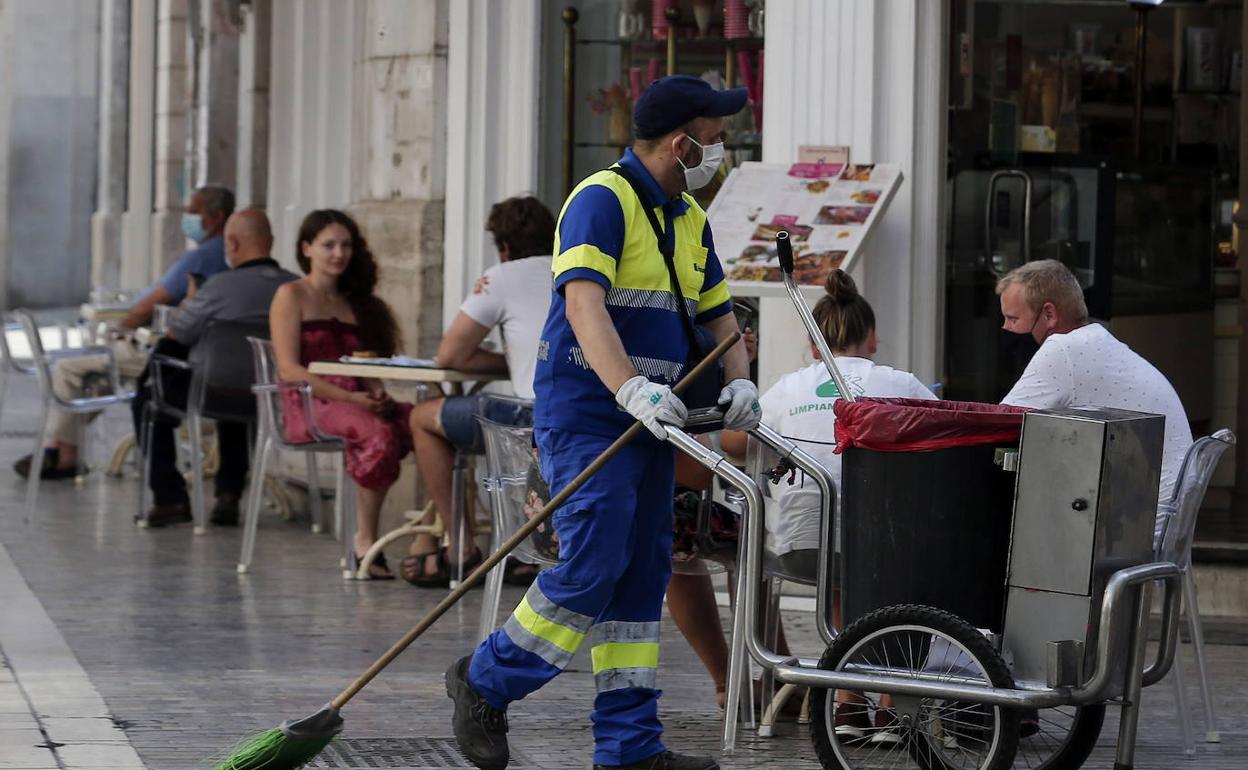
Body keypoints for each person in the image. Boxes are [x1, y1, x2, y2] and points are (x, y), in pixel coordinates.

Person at [446, 74, 759, 770]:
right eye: (714, 140)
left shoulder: (688, 216)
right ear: (680, 144)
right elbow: (584, 306)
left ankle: (628, 747)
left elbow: (719, 318)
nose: (721, 152)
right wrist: (631, 388)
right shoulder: (600, 200)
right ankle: (485, 680)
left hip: (655, 422)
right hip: (592, 418)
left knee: (643, 576)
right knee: (591, 566)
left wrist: (740, 381)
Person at [718, 270, 935, 742]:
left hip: (797, 549)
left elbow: (735, 442)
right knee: (891, 558)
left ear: (814, 347)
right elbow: (942, 441)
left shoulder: (787, 388)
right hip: (881, 550)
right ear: (872, 338)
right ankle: (891, 701)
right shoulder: (900, 383)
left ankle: (848, 703)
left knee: (838, 555)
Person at [15, 186, 234, 479]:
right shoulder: (223, 262)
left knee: (71, 369)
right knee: (95, 379)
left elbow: (149, 305)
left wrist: (121, 329)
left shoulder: (204, 257)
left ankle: (63, 452)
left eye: (193, 212)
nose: (187, 218)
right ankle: (63, 449)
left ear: (216, 217)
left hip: (173, 359)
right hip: (196, 358)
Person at [403, 196, 557, 588]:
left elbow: (450, 355)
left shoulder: (502, 276)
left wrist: (512, 362)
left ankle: (461, 546)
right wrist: (522, 359)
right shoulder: (570, 269)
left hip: (530, 417)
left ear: (503, 246)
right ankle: (519, 548)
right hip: (577, 413)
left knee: (422, 418)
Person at [997, 259, 1192, 545]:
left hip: (1134, 528)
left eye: (1013, 319)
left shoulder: (1063, 349)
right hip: (1158, 520)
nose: (1005, 328)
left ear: (1049, 314)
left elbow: (1000, 424)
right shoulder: (1097, 342)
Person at [269, 209, 413, 580]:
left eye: (346, 245)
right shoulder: (290, 295)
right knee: (378, 434)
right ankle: (365, 540)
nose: (339, 254)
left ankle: (440, 538)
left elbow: (366, 364)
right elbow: (289, 369)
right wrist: (351, 400)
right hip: (309, 401)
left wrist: (377, 394)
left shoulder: (356, 302)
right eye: (328, 245)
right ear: (306, 248)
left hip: (357, 399)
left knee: (421, 421)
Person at [130, 209, 298, 527]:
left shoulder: (219, 287)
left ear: (231, 244)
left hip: (209, 391)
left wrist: (190, 300)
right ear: (271, 242)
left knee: (150, 397)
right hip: (271, 395)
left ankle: (170, 497)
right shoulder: (294, 287)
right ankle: (228, 495)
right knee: (240, 393)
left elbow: (179, 333)